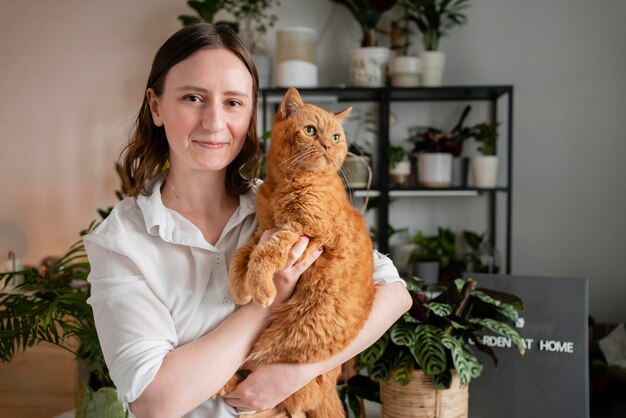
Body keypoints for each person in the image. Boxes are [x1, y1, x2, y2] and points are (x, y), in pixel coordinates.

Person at [84, 23, 412, 418]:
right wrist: (267, 300)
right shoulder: (121, 242)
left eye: (234, 103)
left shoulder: (281, 203)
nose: (214, 122)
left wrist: (297, 373)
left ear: (252, 113)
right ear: (156, 106)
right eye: (193, 98)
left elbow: (394, 293)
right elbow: (156, 401)